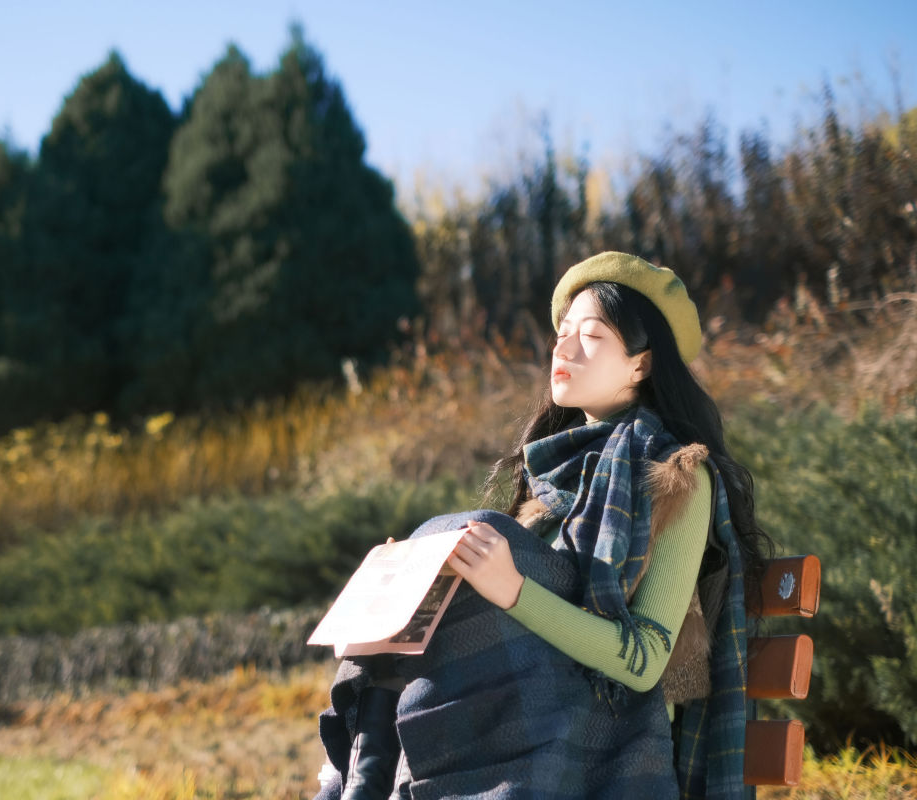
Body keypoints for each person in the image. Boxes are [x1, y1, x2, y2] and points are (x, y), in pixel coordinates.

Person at [313, 252, 773, 800]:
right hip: (514, 718)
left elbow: (645, 662)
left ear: (641, 364)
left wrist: (513, 590)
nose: (564, 346)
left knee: (479, 528)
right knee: (449, 540)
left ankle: (370, 781)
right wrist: (416, 574)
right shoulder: (547, 479)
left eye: (593, 335)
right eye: (562, 331)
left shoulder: (677, 479)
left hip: (596, 736)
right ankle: (368, 774)